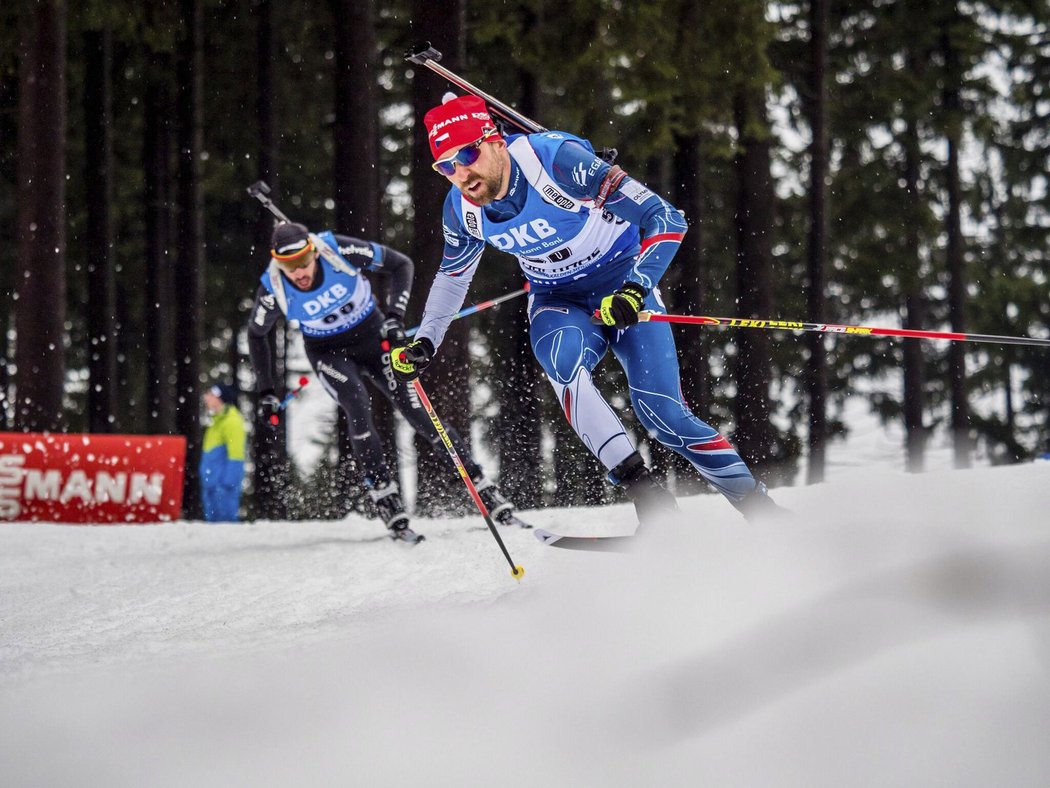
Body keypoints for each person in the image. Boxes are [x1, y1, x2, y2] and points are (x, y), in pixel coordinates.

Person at [392, 94, 783, 525]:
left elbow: (667, 219)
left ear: (497, 141)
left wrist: (636, 289)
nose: (462, 174)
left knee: (663, 413)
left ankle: (760, 510)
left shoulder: (557, 161)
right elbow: (452, 277)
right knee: (562, 362)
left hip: (621, 281)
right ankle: (650, 501)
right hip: (556, 298)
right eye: (446, 166)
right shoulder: (461, 210)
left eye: (467, 154)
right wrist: (425, 339)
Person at [247, 220, 521, 543]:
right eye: (289, 267)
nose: (300, 273)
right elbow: (256, 333)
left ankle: (481, 485)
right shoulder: (273, 286)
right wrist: (265, 390)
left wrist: (394, 316)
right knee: (356, 403)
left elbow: (400, 264)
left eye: (303, 263)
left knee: (418, 411)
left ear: (314, 253)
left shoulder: (336, 249)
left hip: (374, 339)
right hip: (328, 352)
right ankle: (385, 495)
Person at [200, 383, 247, 522]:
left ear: (220, 398)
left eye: (211, 394)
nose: (206, 397)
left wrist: (227, 484)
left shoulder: (232, 421)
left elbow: (236, 455)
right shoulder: (215, 423)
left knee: (226, 528)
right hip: (211, 487)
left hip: (223, 488)